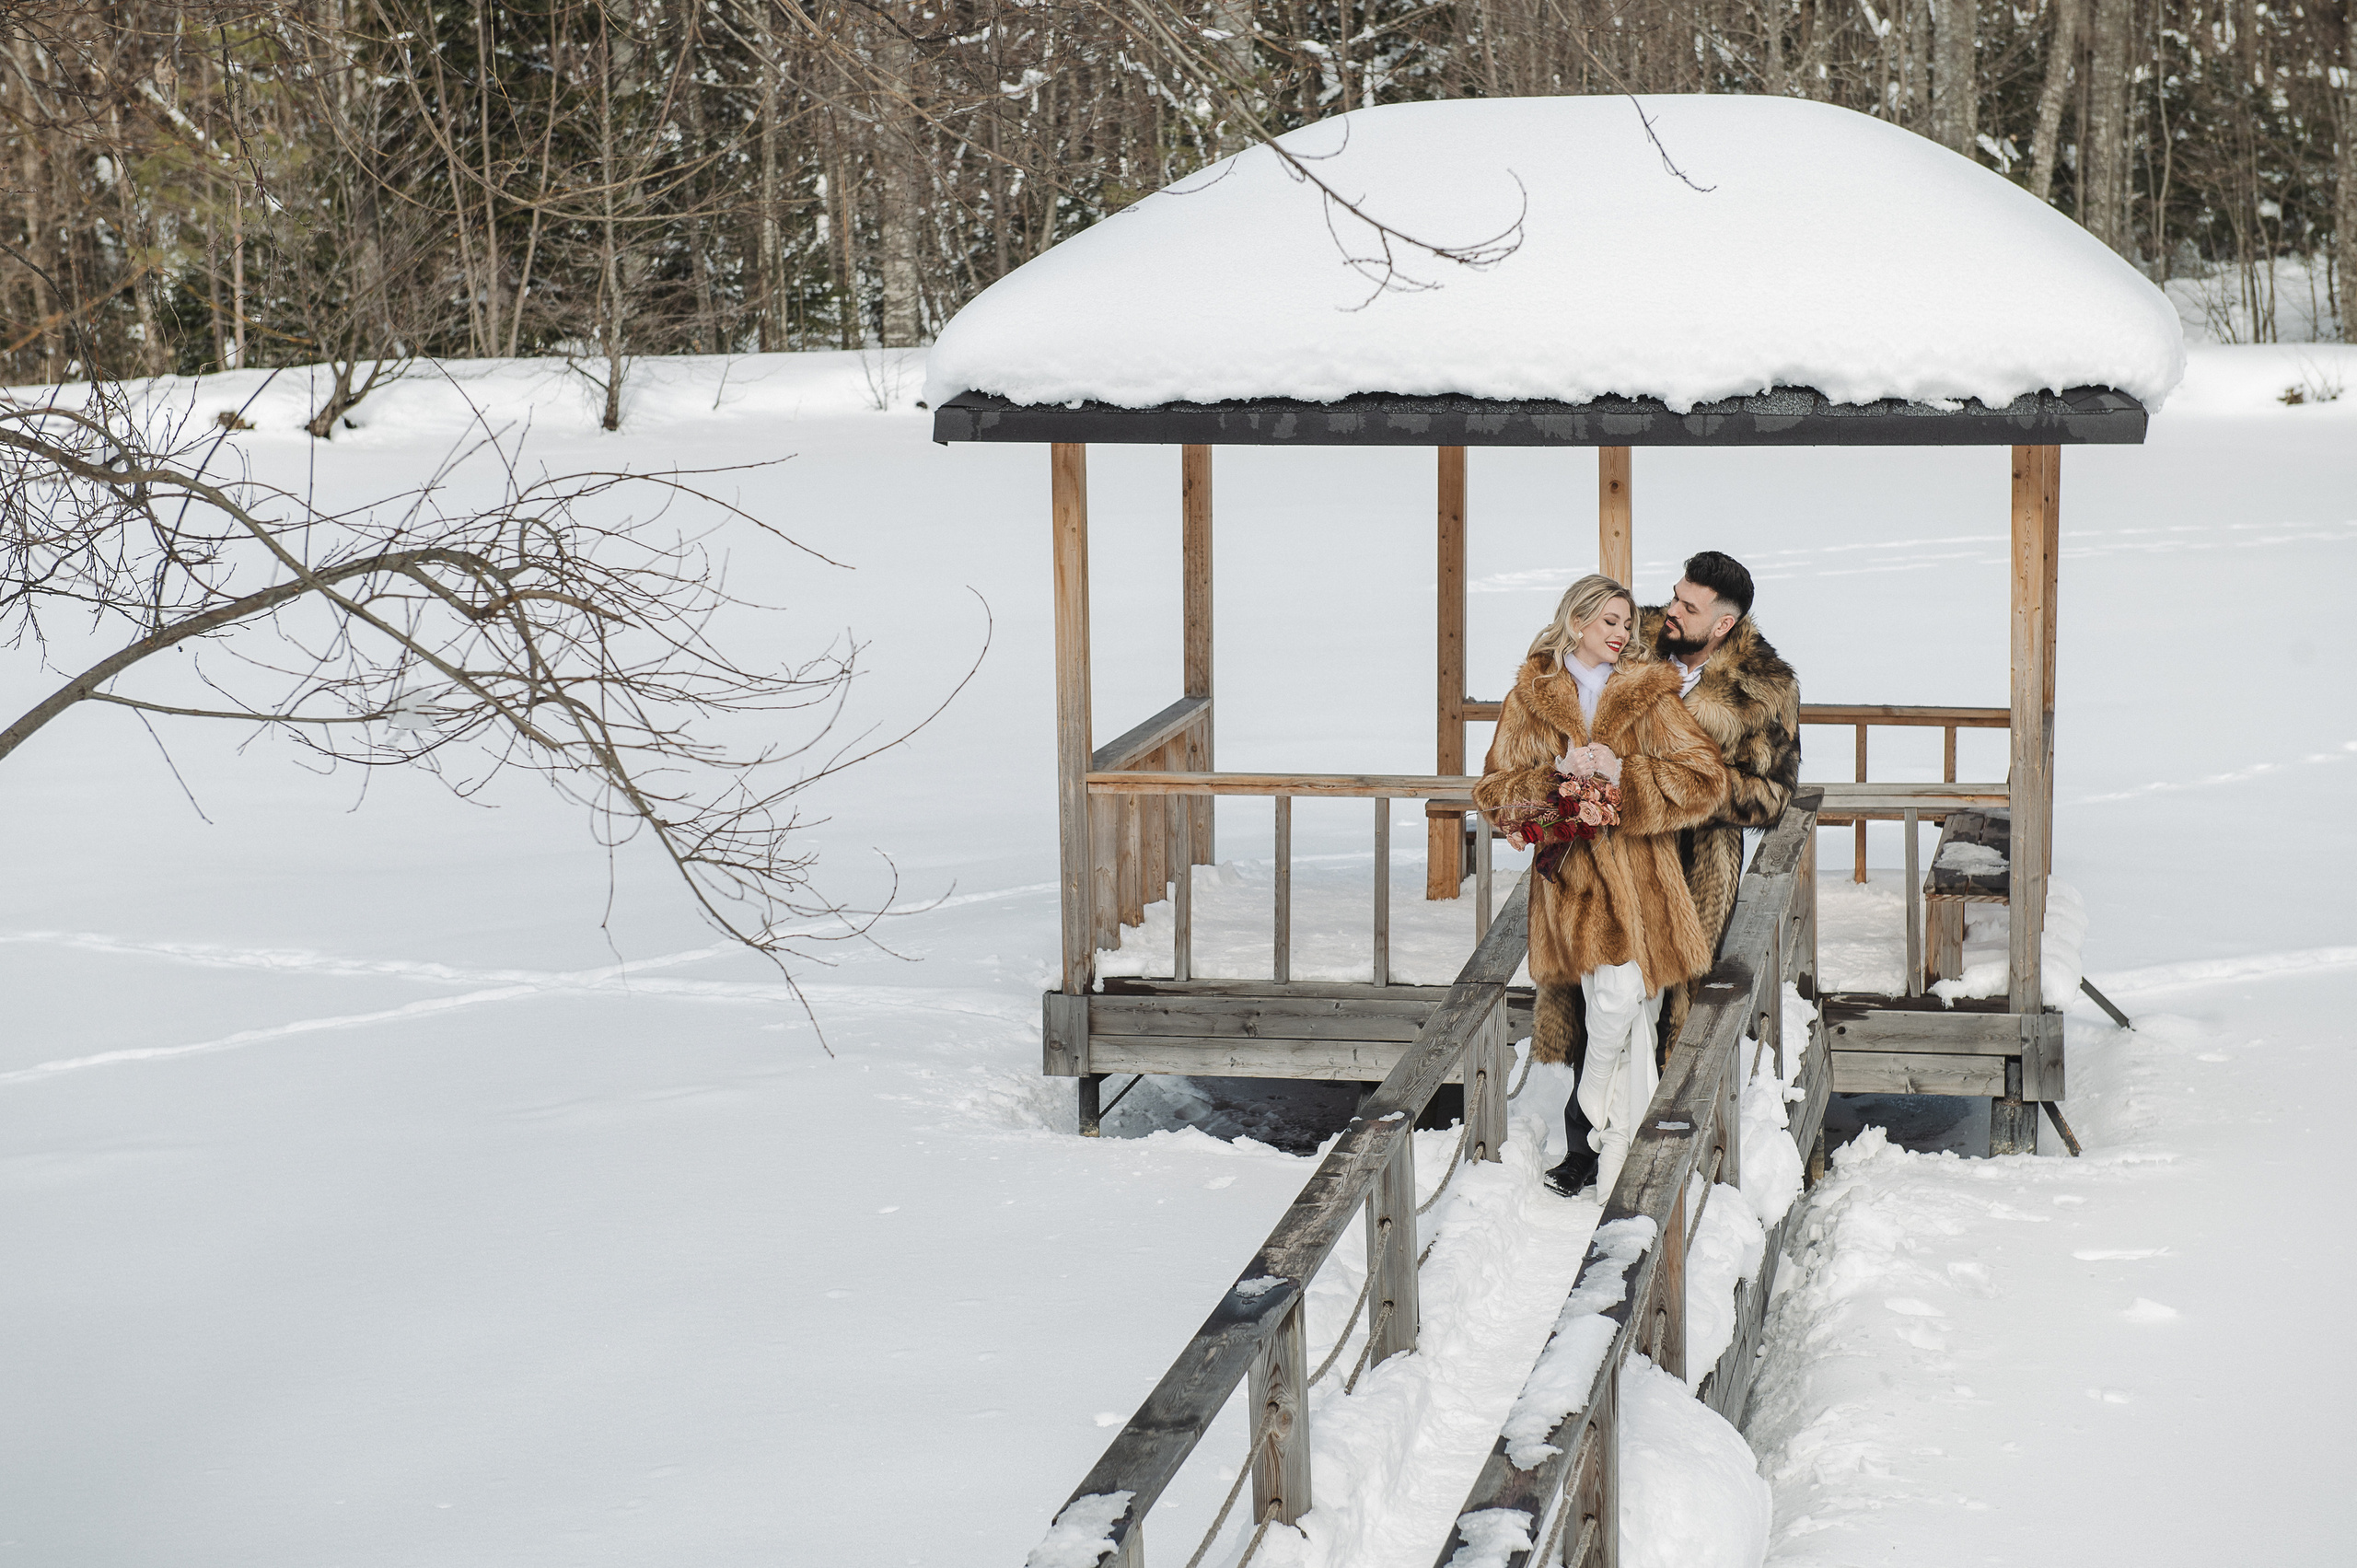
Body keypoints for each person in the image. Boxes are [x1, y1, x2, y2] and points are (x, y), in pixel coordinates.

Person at [1473, 575, 1728, 1199]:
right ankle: (1619, 1164)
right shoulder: (1529, 700)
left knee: (1624, 1006)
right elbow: (1491, 792)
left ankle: (1597, 1117)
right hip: (1573, 889)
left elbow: (1705, 778)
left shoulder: (1646, 696)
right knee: (1622, 1011)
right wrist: (1554, 782)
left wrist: (1627, 776)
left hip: (1645, 885)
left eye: (1625, 622)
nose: (1621, 633)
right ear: (1576, 621)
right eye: (1609, 621)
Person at [1639, 552, 1803, 1050]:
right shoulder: (1627, 643)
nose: (1672, 610)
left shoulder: (1765, 687)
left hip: (1696, 868)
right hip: (1614, 852)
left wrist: (1691, 785)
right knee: (1600, 1004)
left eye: (1689, 607)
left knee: (1673, 1017)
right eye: (1675, 596)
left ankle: (1665, 1119)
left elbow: (1773, 796)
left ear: (1723, 624)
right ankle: (1591, 1121)